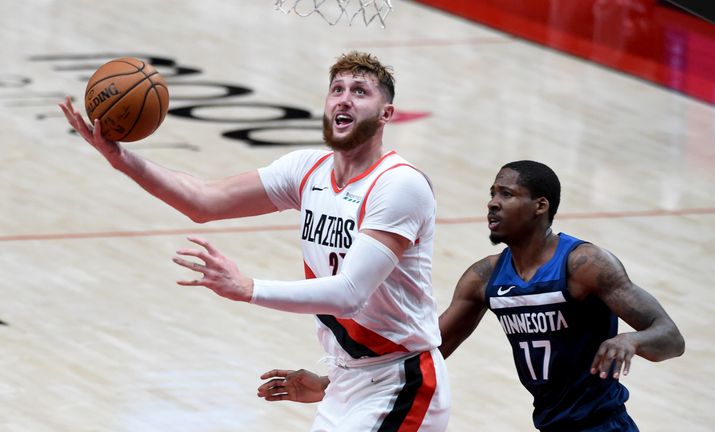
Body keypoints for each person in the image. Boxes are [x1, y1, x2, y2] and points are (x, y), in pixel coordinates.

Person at [59, 51, 450, 432]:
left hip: (401, 383)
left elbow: (351, 293)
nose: (344, 98)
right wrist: (119, 158)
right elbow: (204, 201)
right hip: (347, 381)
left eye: (360, 91)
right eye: (337, 89)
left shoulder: (399, 185)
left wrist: (248, 288)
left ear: (386, 114)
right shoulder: (306, 170)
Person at [257, 160, 685, 432]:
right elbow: (421, 352)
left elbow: (669, 336)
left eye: (506, 194)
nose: (492, 204)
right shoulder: (484, 278)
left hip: (602, 424)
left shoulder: (584, 264)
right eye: (491, 194)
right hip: (551, 423)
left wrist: (630, 340)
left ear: (540, 206)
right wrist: (334, 385)